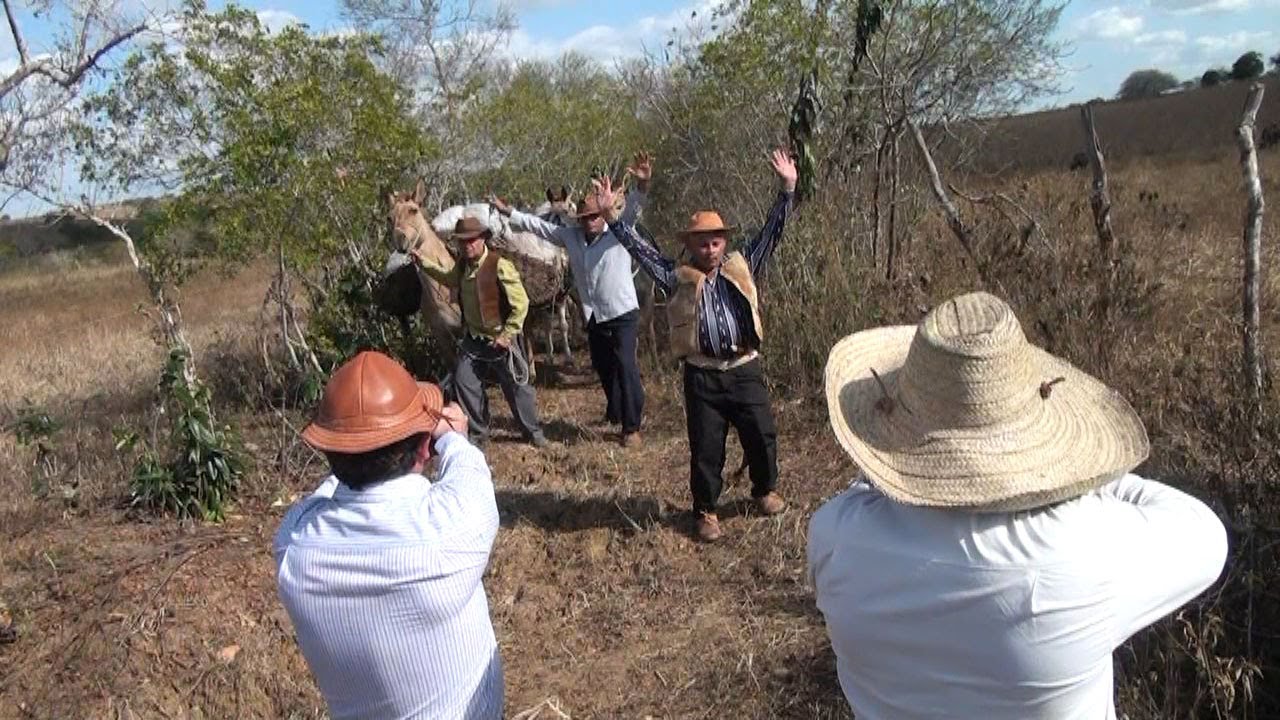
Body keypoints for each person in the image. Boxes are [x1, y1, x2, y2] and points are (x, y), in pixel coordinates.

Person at [808, 291, 1229, 720]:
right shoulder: (1085, 554)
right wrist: (1087, 478)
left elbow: (868, 489)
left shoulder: (835, 536)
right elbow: (1206, 535)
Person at [274, 350, 504, 720]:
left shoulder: (294, 545)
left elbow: (327, 490)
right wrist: (453, 437)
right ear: (425, 448)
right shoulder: (449, 530)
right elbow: (468, 469)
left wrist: (358, 444)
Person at [594, 149, 797, 542]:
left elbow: (773, 231)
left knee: (761, 434)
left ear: (724, 243)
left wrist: (787, 189)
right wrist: (612, 218)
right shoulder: (676, 276)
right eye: (703, 243)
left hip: (744, 369)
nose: (710, 248)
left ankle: (765, 490)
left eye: (716, 241)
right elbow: (640, 250)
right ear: (691, 245)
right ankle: (706, 511)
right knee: (706, 447)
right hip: (702, 376)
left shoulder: (744, 264)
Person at [490, 156, 652, 448]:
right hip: (594, 314)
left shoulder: (620, 232)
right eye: (585, 218)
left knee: (626, 365)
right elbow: (538, 226)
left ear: (603, 215)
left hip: (622, 311)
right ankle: (614, 411)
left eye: (595, 217)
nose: (590, 222)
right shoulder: (572, 236)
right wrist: (508, 212)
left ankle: (632, 426)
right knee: (604, 366)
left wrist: (642, 182)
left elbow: (636, 207)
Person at [411, 216, 548, 449]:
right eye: (463, 242)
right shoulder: (463, 266)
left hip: (501, 340)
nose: (467, 246)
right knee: (465, 382)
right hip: (474, 340)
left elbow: (521, 303)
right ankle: (478, 432)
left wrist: (507, 334)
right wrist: (423, 263)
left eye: (471, 240)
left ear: (483, 238)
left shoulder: (499, 265)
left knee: (517, 388)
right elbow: (448, 278)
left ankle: (533, 431)